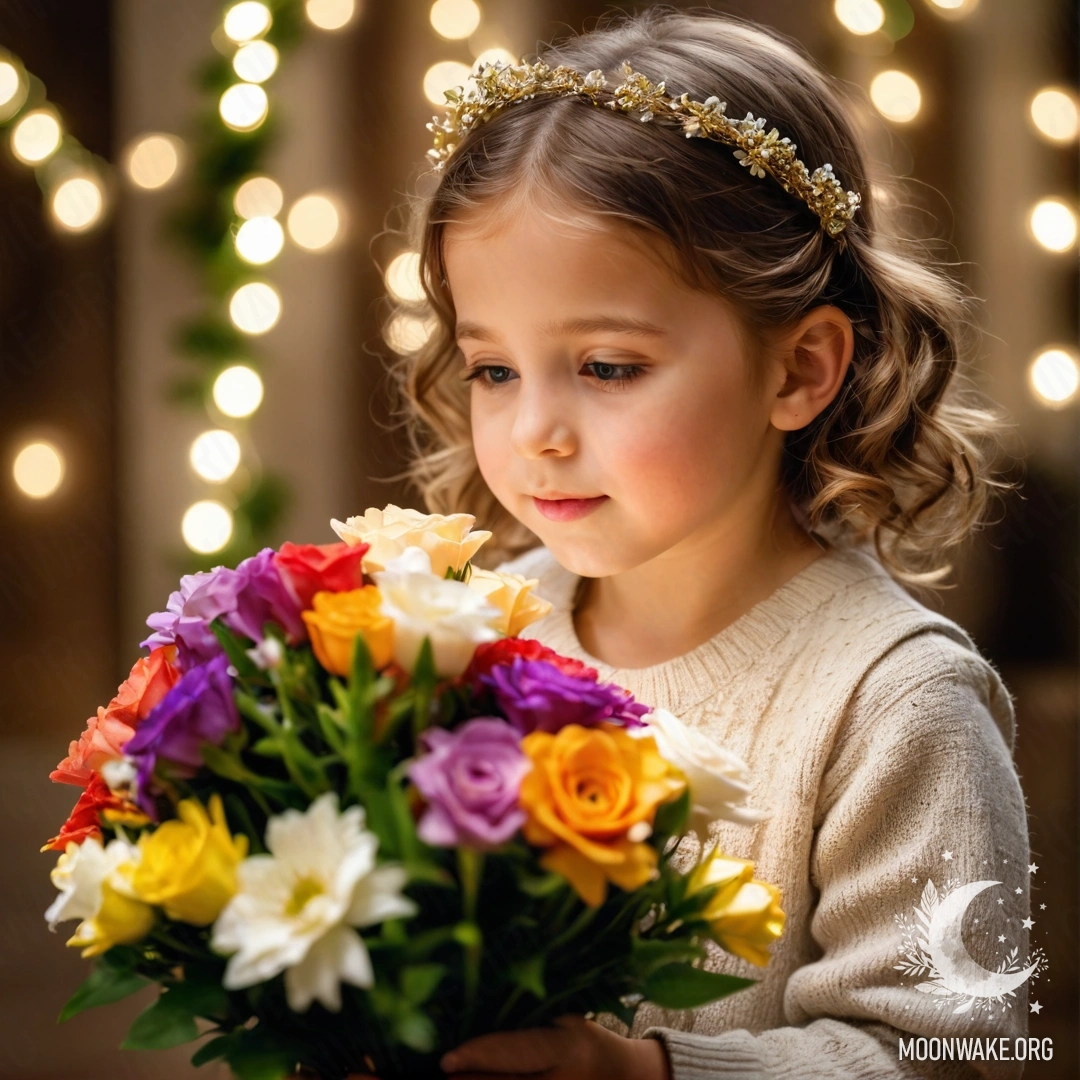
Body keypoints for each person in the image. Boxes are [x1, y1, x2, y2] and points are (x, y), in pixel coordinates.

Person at [358, 6, 1034, 1078]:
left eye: (609, 366)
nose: (534, 430)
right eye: (493, 368)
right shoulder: (468, 641)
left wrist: (639, 1072)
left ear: (798, 370)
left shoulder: (896, 704)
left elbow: (950, 1052)